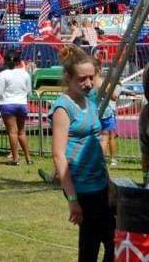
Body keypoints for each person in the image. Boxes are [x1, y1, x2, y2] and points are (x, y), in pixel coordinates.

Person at [49, 45, 113, 262]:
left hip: (100, 183)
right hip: (82, 187)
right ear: (68, 78)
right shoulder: (62, 108)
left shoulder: (90, 99)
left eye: (91, 77)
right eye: (81, 79)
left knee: (113, 241)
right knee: (91, 245)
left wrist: (108, 182)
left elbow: (95, 143)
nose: (88, 83)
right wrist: (73, 199)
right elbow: (58, 154)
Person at [0, 50, 33, 165]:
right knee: (21, 132)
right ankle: (28, 158)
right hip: (22, 104)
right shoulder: (25, 74)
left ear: (5, 61)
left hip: (7, 104)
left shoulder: (3, 74)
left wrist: (3, 97)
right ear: (19, 61)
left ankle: (15, 159)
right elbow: (29, 91)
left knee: (12, 132)